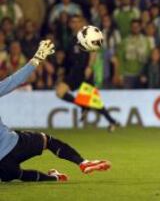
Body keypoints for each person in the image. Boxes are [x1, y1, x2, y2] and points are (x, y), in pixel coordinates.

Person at [0, 40, 111, 182]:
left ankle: (55, 178)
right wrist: (38, 58)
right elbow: (15, 80)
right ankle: (83, 163)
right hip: (12, 144)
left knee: (16, 174)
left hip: (2, 164)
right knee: (48, 141)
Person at [55, 15, 119, 132]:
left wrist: (89, 66)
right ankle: (83, 106)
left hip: (85, 71)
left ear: (82, 23)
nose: (74, 24)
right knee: (59, 92)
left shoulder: (87, 35)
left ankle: (112, 121)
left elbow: (93, 51)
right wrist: (62, 68)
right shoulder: (71, 39)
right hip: (74, 72)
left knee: (93, 100)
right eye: (72, 22)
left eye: (77, 22)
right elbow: (68, 58)